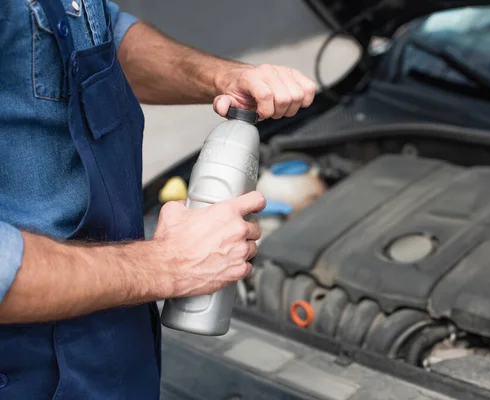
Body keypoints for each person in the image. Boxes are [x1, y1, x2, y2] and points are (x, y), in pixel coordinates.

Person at [0, 1, 317, 399]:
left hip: (115, 340)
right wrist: (166, 264)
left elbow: (98, 36)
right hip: (23, 370)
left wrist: (224, 76)